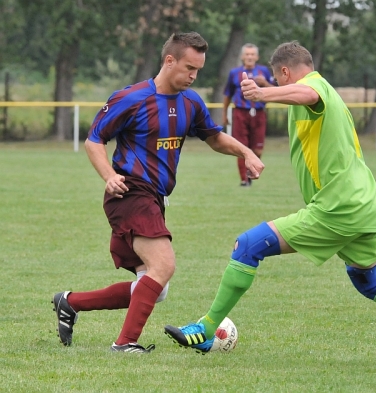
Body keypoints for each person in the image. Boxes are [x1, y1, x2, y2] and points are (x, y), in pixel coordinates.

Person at [164, 41, 376, 368]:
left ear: (286, 72)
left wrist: (263, 95)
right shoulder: (321, 89)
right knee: (369, 280)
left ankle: (206, 329)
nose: (278, 86)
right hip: (365, 205)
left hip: (339, 208)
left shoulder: (315, 87)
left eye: (278, 80)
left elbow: (307, 94)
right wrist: (268, 89)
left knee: (248, 246)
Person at [51, 32, 264, 353]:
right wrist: (108, 175)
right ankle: (124, 344)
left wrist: (246, 152)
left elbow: (214, 137)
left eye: (199, 70)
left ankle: (70, 303)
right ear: (169, 60)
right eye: (189, 68)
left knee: (156, 287)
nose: (193, 76)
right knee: (163, 266)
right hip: (129, 193)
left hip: (155, 200)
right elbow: (94, 140)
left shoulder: (191, 102)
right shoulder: (132, 98)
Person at [222, 43, 275, 186]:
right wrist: (224, 114)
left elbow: (275, 90)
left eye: (252, 54)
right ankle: (244, 179)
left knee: (257, 148)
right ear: (242, 56)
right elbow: (228, 95)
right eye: (247, 54)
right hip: (240, 112)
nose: (250, 57)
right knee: (241, 147)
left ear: (257, 57)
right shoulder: (234, 73)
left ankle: (253, 173)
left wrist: (264, 83)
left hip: (258, 113)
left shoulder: (264, 71)